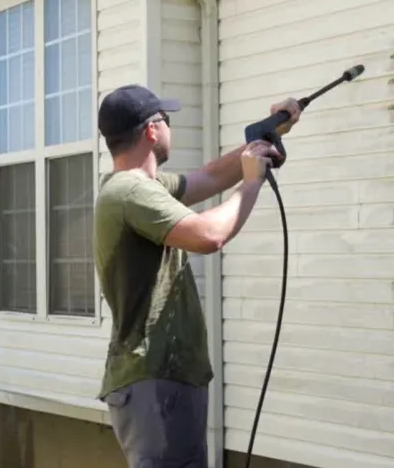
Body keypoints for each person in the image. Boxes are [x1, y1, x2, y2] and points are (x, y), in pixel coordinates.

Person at [92, 83, 301, 467]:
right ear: (151, 130)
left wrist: (267, 134)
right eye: (166, 120)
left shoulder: (141, 188)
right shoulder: (130, 193)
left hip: (161, 378)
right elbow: (208, 235)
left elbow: (209, 177)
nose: (171, 128)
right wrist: (251, 183)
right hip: (155, 377)